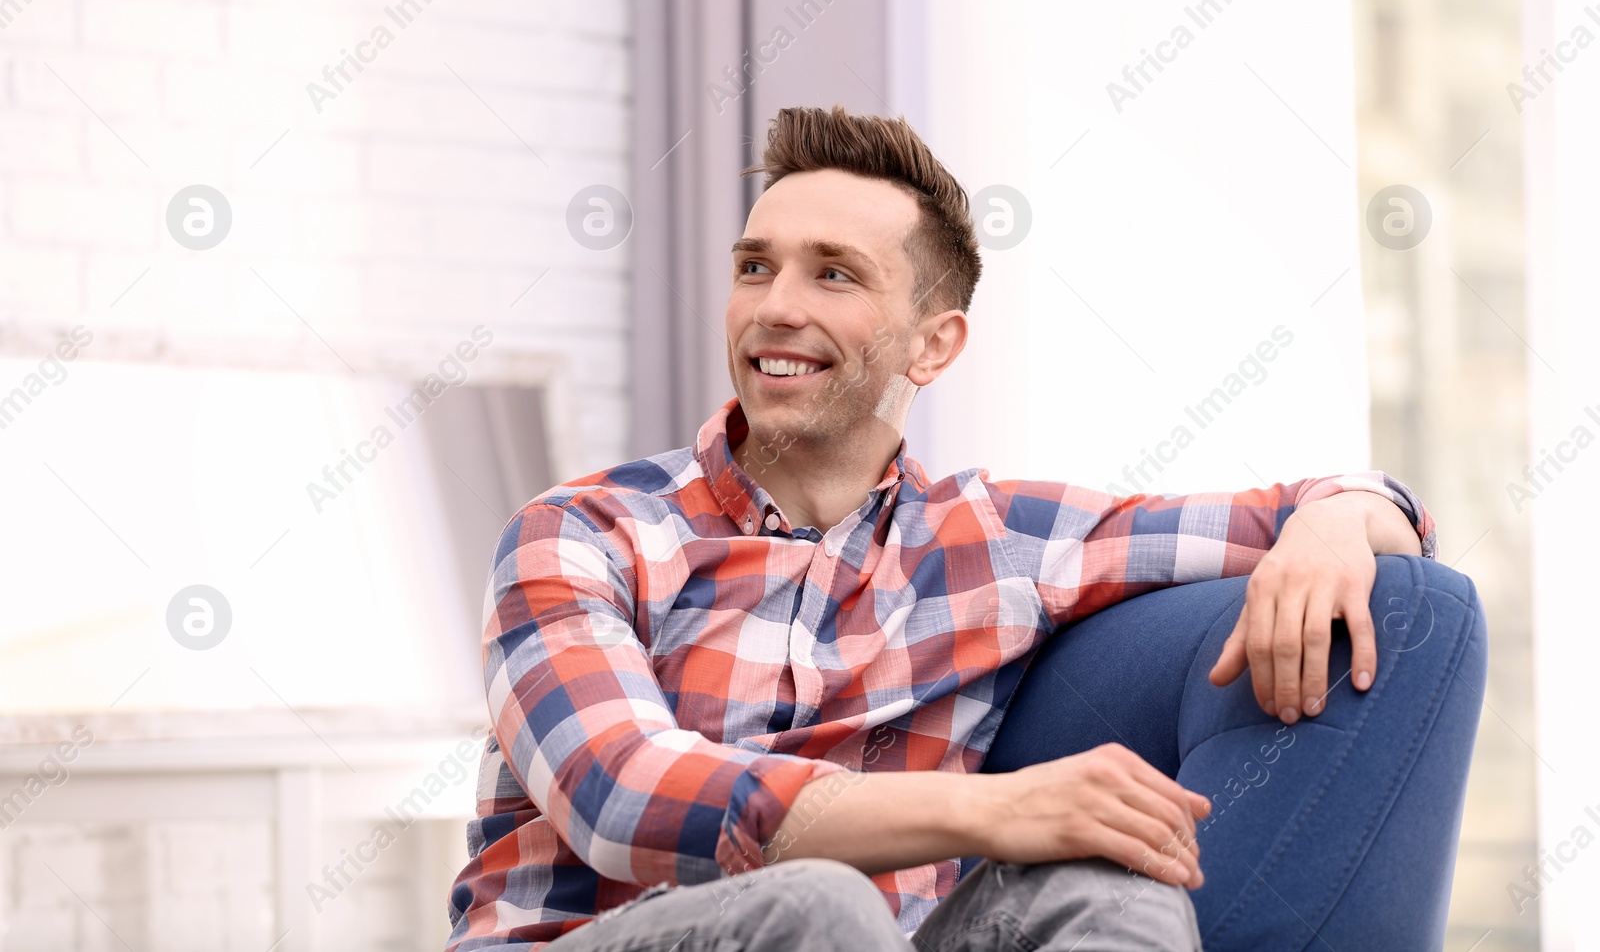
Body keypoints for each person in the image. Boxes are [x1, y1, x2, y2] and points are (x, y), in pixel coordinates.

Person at [444, 105, 1437, 951]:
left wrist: (1341, 514)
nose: (774, 306)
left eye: (833, 274)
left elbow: (1328, 502)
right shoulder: (584, 532)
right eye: (756, 266)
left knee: (1116, 888)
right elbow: (619, 794)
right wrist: (995, 809)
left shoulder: (1001, 541)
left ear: (934, 342)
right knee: (822, 901)